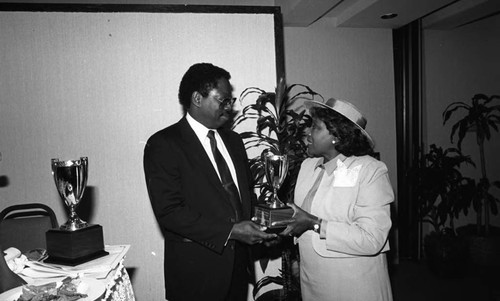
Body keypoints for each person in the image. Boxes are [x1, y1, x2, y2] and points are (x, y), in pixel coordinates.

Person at [143, 62, 277, 301]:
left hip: (237, 269)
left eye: (230, 101)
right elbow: (169, 212)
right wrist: (232, 231)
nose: (230, 107)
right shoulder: (164, 144)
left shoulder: (234, 141)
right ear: (197, 98)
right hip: (196, 276)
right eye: (223, 100)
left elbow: (244, 196)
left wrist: (267, 223)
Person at [281, 98, 394, 301]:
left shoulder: (370, 171)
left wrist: (314, 224)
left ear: (336, 136)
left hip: (353, 284)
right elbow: (302, 217)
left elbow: (372, 239)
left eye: (315, 127)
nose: (307, 133)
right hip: (313, 281)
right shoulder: (308, 166)